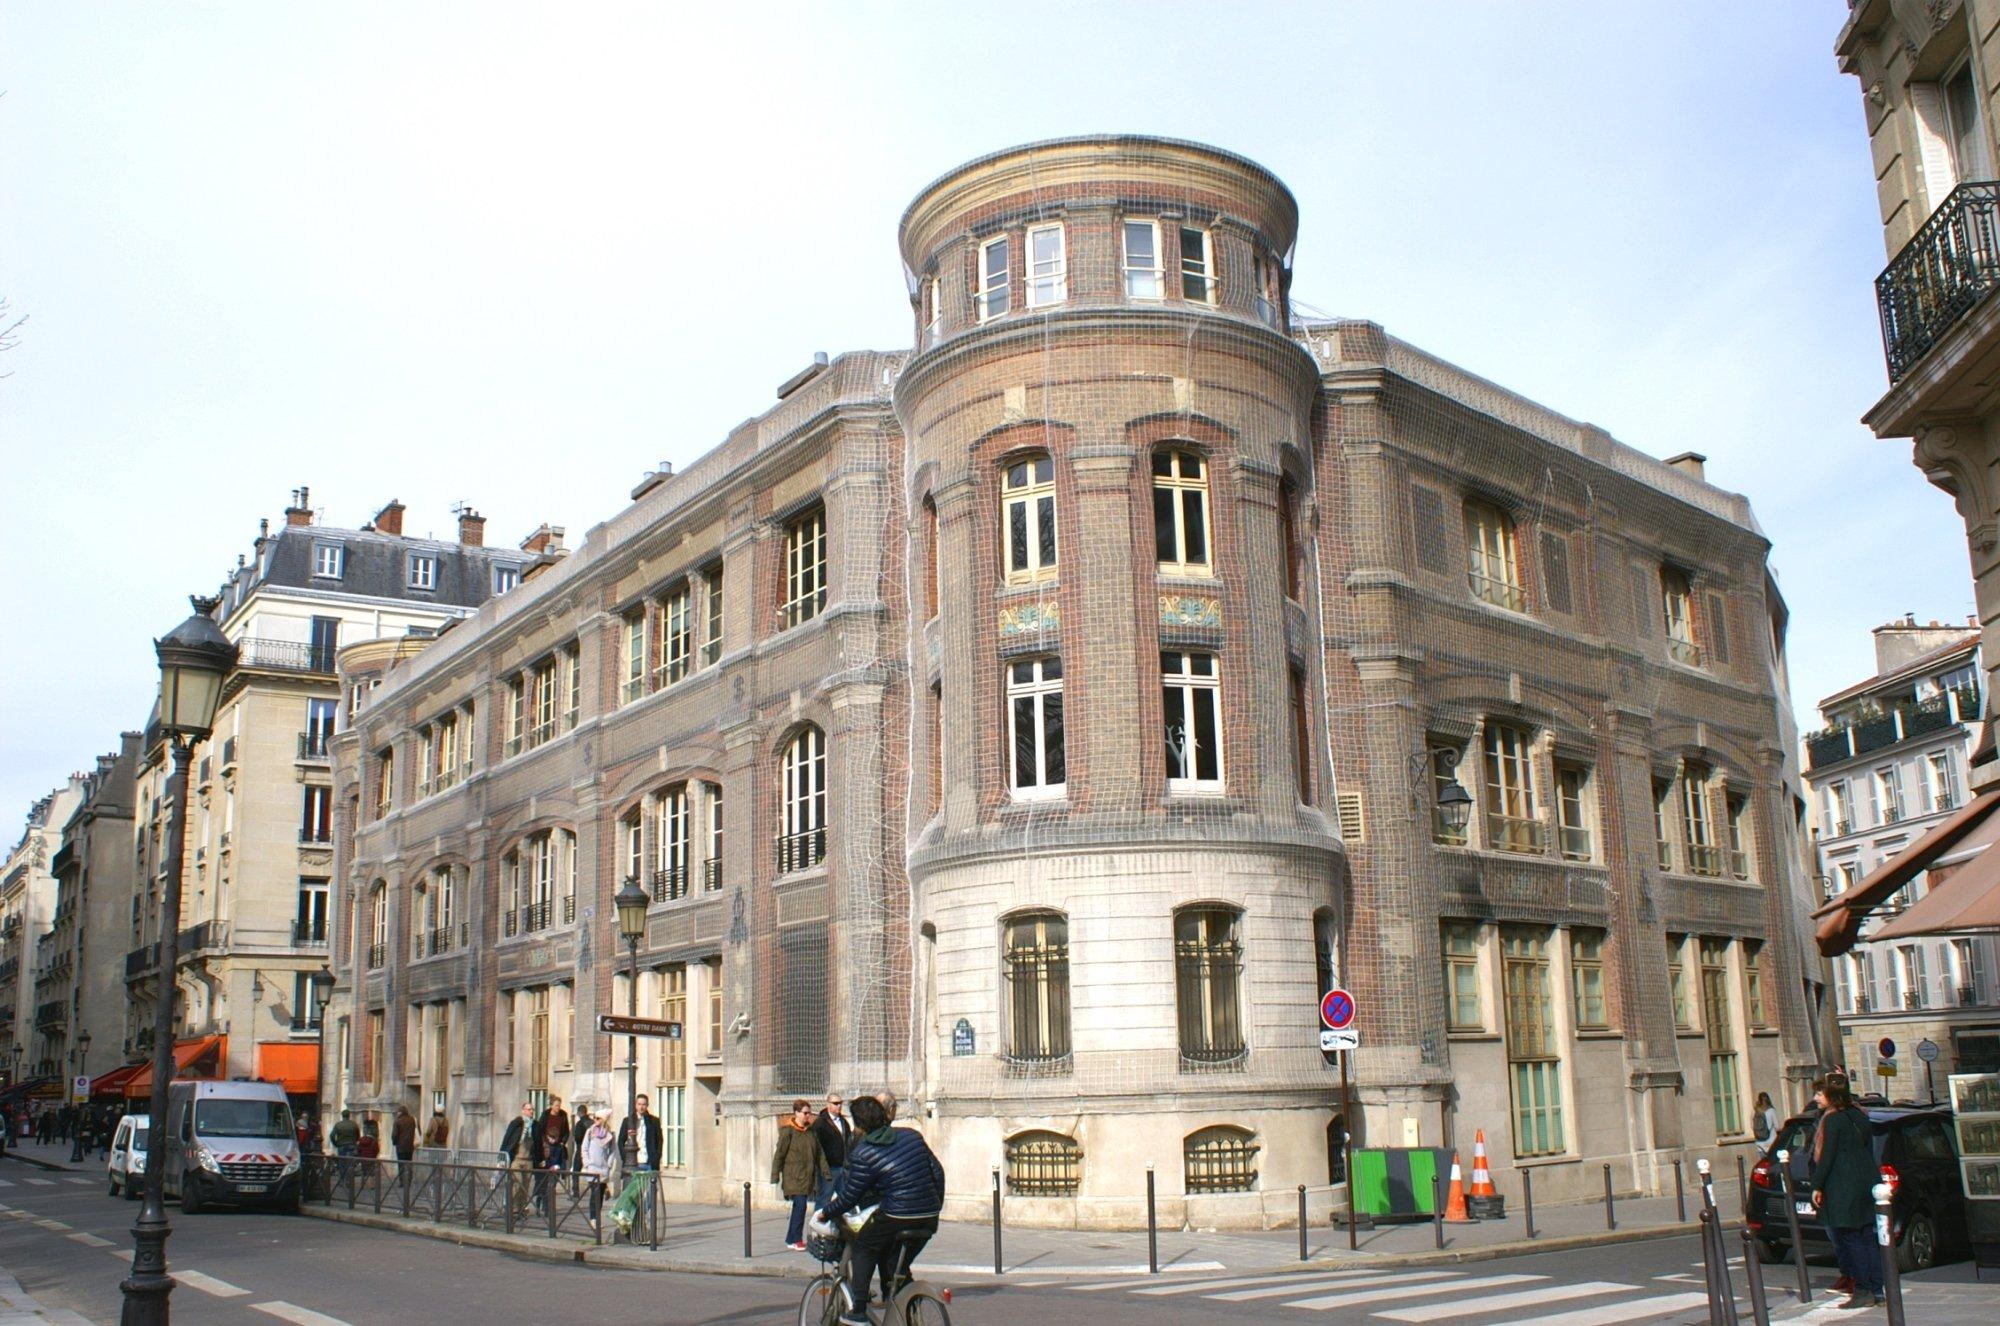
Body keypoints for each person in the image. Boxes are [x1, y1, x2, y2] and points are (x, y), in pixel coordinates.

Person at [813, 1095, 944, 1326]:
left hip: (897, 1215)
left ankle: (858, 1312)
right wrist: (935, 1205)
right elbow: (938, 1172)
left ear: (859, 1125)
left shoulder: (864, 1153)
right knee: (894, 1265)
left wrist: (825, 1212)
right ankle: (901, 1304)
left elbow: (850, 1196)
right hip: (929, 1217)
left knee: (863, 1247)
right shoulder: (912, 1136)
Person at [1808, 1072, 1884, 1310]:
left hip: (1844, 1186)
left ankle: (1862, 1290)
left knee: (1852, 1239)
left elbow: (1827, 1157)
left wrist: (1816, 1185)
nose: (1816, 1098)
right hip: (1866, 1182)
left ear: (1831, 1095)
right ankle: (1876, 1289)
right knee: (1867, 1238)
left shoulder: (1833, 1120)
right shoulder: (1860, 1115)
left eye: (1820, 1093)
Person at [773, 1099, 829, 1250]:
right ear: (796, 1113)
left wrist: (825, 1172)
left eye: (809, 1113)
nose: (807, 1116)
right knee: (800, 1206)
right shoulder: (788, 1132)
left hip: (807, 1176)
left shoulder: (811, 1132)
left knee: (800, 1208)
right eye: (804, 1113)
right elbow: (779, 1154)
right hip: (794, 1177)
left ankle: (790, 1239)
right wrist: (775, 1175)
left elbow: (820, 1154)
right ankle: (797, 1239)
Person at [609, 1095, 664, 1239]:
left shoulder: (653, 1121)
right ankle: (634, 1220)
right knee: (634, 1194)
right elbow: (620, 1142)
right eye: (639, 1104)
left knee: (652, 1193)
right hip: (636, 1163)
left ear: (647, 1105)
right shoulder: (628, 1121)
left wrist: (657, 1157)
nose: (641, 1107)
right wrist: (627, 1158)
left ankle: (640, 1214)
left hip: (649, 1162)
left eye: (644, 1104)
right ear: (635, 1105)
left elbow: (660, 1140)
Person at [498, 1100, 544, 1215]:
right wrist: (501, 1157)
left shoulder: (535, 1125)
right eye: (529, 1109)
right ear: (523, 1111)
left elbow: (539, 1143)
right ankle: (511, 1208)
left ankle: (521, 1208)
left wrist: (540, 1159)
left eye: (532, 1109)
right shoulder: (517, 1123)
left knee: (525, 1186)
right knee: (516, 1184)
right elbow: (507, 1139)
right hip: (517, 1159)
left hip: (529, 1160)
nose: (531, 1112)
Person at [579, 1111, 617, 1234]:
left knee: (600, 1194)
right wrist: (587, 1162)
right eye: (595, 1118)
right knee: (594, 1194)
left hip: (603, 1168)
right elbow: (584, 1147)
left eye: (598, 1118)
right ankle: (593, 1218)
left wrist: (609, 1164)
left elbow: (612, 1151)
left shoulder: (609, 1134)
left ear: (604, 1120)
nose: (595, 1120)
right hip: (592, 1167)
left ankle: (597, 1217)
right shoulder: (590, 1131)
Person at [812, 1092, 852, 1206]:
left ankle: (843, 1223)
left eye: (840, 1103)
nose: (838, 1106)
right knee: (823, 1200)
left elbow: (848, 1141)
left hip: (843, 1167)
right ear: (828, 1104)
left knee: (846, 1199)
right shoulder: (820, 1123)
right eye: (835, 1103)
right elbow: (816, 1146)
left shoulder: (843, 1121)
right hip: (828, 1169)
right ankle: (817, 1223)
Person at [538, 1096, 570, 1213]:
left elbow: (567, 1131)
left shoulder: (563, 1115)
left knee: (553, 1180)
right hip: (546, 1149)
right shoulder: (545, 1115)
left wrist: (562, 1142)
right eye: (556, 1105)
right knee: (545, 1180)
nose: (558, 1107)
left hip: (558, 1149)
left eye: (559, 1105)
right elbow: (540, 1130)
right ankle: (542, 1203)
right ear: (551, 1105)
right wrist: (544, 1142)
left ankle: (548, 1207)